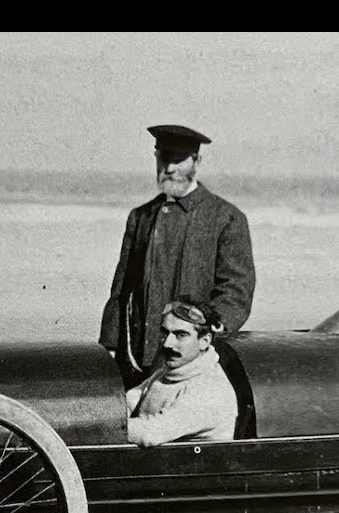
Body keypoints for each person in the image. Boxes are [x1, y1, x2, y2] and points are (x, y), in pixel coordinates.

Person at [99, 124, 256, 385]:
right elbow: (121, 290)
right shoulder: (141, 217)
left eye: (178, 160)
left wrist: (208, 330)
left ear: (196, 162)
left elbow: (236, 290)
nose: (169, 168)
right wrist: (109, 345)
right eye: (163, 158)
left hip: (191, 361)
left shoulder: (226, 217)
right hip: (137, 356)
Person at [125, 297, 239, 448]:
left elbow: (150, 433)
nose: (167, 344)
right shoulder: (170, 373)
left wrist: (96, 430)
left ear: (204, 341)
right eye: (165, 333)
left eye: (181, 335)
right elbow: (127, 403)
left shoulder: (209, 390)